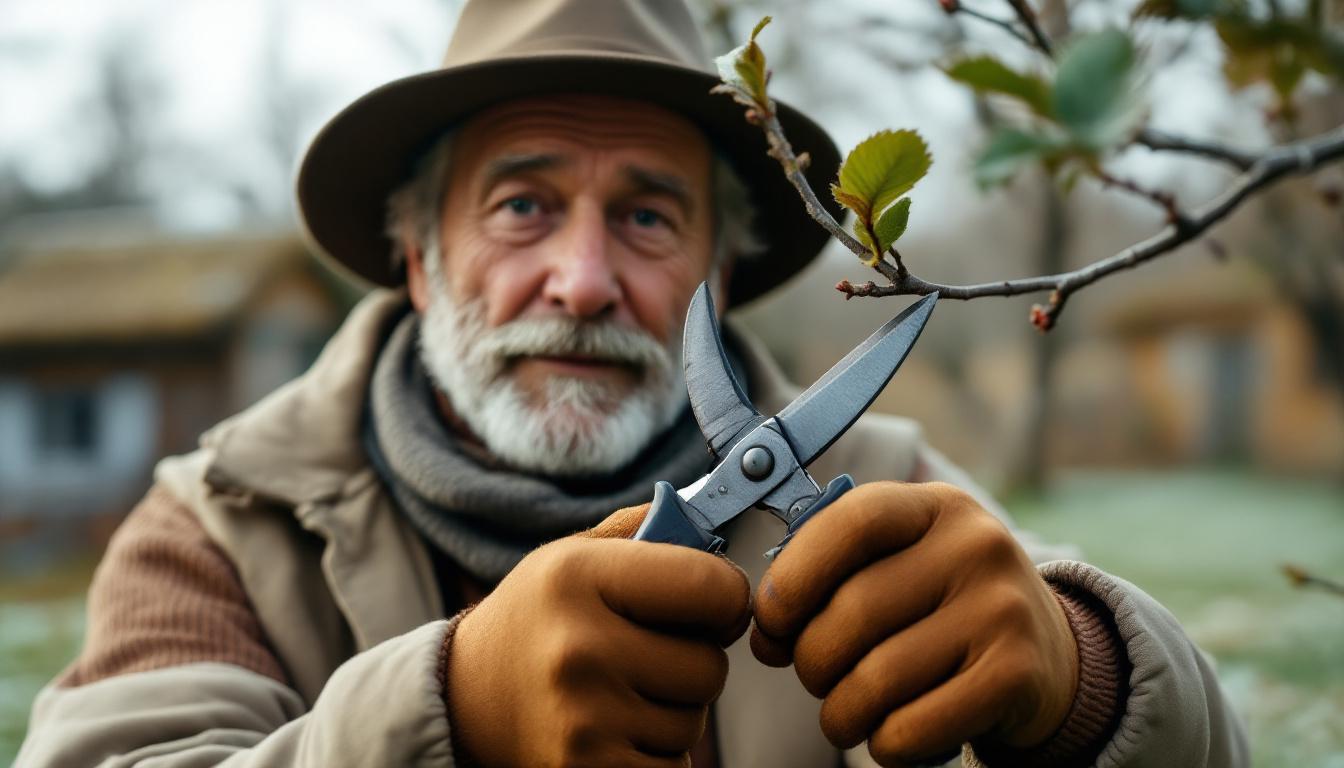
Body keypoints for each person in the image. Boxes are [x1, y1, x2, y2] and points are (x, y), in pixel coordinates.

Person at [18, 1, 1248, 766]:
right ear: (417, 251)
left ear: (722, 264)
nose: (586, 277)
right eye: (522, 204)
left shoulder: (888, 491)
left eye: (650, 216)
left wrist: (1085, 681)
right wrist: (446, 723)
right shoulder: (224, 525)